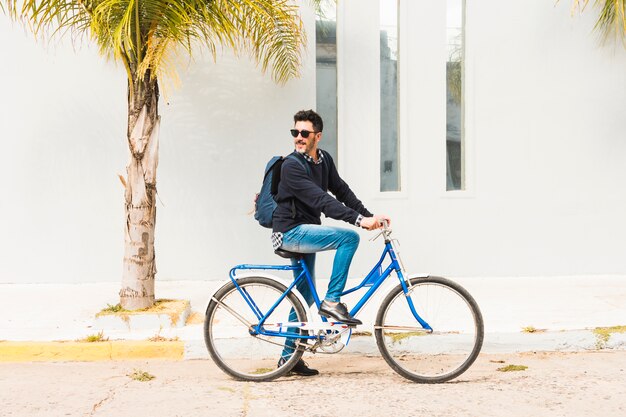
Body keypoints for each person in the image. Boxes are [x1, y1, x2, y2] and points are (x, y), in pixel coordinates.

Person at [272, 109, 390, 376]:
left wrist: (370, 216)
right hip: (289, 232)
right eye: (295, 132)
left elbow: (341, 191)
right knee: (349, 238)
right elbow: (322, 201)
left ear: (318, 136)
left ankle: (289, 359)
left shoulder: (323, 160)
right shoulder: (292, 165)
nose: (298, 138)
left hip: (305, 229)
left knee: (303, 295)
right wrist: (359, 222)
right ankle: (333, 301)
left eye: (304, 133)